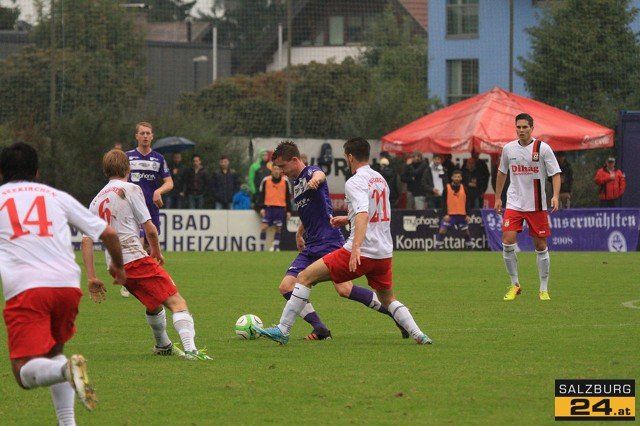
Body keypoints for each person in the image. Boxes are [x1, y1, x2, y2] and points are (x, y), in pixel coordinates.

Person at [255, 138, 432, 345]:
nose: (282, 172)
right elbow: (313, 210)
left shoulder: (312, 172)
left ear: (294, 160)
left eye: (283, 166)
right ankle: (320, 328)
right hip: (317, 244)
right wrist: (300, 232)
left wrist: (316, 180)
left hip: (329, 241)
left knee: (340, 288)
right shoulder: (378, 179)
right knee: (287, 286)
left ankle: (284, 329)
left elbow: (321, 175)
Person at [0, 142, 126, 421]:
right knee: (54, 353)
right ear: (36, 171)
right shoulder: (56, 196)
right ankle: (67, 421)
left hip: (27, 288)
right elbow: (109, 235)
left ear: (1, 173)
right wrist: (118, 267)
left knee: (22, 371)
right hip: (67, 287)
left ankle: (64, 370)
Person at [82, 149, 212, 361]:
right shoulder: (131, 188)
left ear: (105, 171)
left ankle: (163, 345)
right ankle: (192, 351)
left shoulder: (97, 199)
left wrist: (91, 277)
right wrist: (156, 252)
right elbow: (150, 229)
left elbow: (86, 240)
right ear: (128, 169)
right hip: (134, 258)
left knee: (153, 302)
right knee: (177, 302)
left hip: (114, 267)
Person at [494, 113, 561, 301]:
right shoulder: (508, 149)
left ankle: (543, 289)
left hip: (537, 205)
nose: (521, 130)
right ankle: (515, 285)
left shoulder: (543, 148)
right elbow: (502, 173)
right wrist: (498, 197)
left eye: (525, 127)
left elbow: (555, 174)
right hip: (514, 203)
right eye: (518, 127)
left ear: (532, 128)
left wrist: (555, 196)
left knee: (540, 245)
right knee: (507, 241)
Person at [125, 122, 173, 298]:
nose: (145, 136)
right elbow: (120, 179)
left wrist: (158, 191)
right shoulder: (127, 157)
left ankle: (142, 280)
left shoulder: (158, 159)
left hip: (151, 209)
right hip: (132, 207)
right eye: (142, 133)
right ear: (136, 136)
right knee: (137, 243)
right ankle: (129, 282)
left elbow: (169, 182)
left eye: (148, 133)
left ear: (152, 136)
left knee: (147, 246)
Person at [257, 165, 292, 251]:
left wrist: (289, 211)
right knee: (264, 227)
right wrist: (261, 208)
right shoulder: (266, 180)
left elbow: (288, 197)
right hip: (268, 208)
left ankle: (276, 247)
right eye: (275, 169)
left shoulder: (285, 181)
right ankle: (261, 248)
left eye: (278, 169)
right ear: (272, 170)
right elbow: (261, 195)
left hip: (280, 208)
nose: (276, 171)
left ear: (280, 170)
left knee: (278, 228)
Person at [435, 170, 473, 250]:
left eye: (458, 177)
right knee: (442, 230)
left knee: (465, 231)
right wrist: (445, 214)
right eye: (455, 177)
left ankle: (470, 247)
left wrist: (468, 214)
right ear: (452, 177)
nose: (457, 178)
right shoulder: (447, 188)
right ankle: (437, 248)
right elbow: (443, 202)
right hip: (450, 215)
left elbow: (467, 202)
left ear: (461, 178)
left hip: (462, 215)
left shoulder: (464, 188)